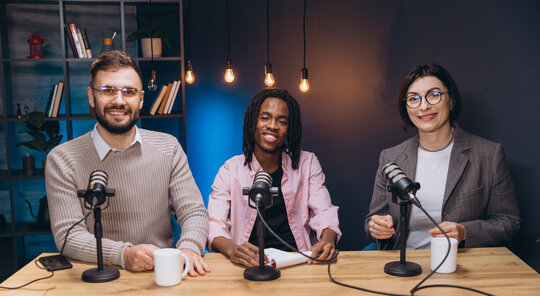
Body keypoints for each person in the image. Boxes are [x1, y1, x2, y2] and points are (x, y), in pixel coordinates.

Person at [45, 50, 210, 276]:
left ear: (141, 99)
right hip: (97, 280)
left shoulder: (168, 148)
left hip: (161, 276)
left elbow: (193, 212)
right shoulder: (62, 158)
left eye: (129, 92)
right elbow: (68, 236)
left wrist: (190, 247)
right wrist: (123, 254)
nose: (119, 100)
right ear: (92, 97)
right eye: (108, 90)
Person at [365, 63, 520, 250]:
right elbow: (372, 222)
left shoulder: (489, 155)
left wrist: (465, 232)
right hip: (405, 264)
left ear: (451, 100)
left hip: (463, 263)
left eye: (434, 95)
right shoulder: (391, 157)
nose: (424, 106)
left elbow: (508, 222)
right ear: (406, 107)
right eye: (414, 99)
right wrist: (377, 228)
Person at [208, 88, 341, 267]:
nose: (272, 125)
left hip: (298, 261)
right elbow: (214, 224)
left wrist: (327, 240)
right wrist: (232, 250)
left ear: (289, 128)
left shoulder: (307, 163)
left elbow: (325, 212)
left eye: (282, 121)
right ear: (252, 122)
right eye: (265, 118)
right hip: (247, 264)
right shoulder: (230, 169)